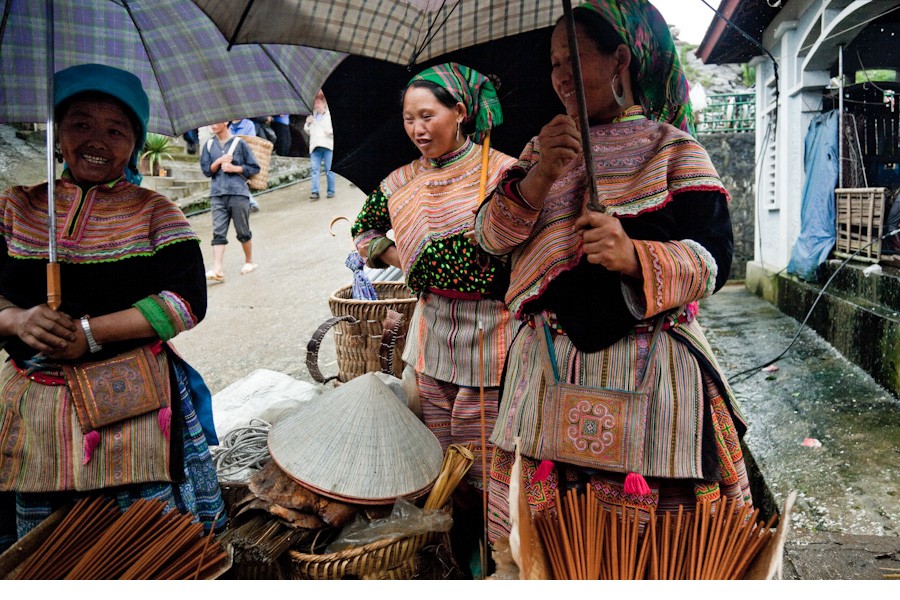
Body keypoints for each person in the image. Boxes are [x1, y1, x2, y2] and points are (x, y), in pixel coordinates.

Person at [474, 0, 754, 549]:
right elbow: (490, 240)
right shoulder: (538, 150)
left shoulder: (671, 148)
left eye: (573, 59)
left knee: (656, 552)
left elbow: (716, 257)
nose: (560, 76)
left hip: (652, 377)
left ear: (619, 59)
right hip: (547, 374)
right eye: (553, 63)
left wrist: (635, 257)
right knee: (550, 546)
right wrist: (539, 179)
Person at [0, 63, 226, 550]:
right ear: (57, 132)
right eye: (80, 123)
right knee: (48, 553)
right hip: (33, 409)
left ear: (135, 144)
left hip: (132, 408)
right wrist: (16, 318)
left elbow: (186, 302)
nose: (96, 139)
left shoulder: (154, 212)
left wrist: (90, 332)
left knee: (141, 547)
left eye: (115, 129)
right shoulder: (16, 207)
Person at [350, 63, 518, 576]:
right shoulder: (398, 182)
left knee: (492, 461)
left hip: (493, 337)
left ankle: (502, 563)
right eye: (408, 119)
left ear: (461, 113)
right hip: (432, 336)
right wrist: (403, 258)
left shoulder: (505, 173)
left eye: (428, 115)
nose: (418, 129)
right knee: (439, 456)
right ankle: (448, 557)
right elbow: (363, 234)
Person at [201, 121, 260, 281]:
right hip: (217, 194)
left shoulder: (239, 143)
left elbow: (254, 167)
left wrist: (236, 168)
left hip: (238, 192)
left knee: (242, 230)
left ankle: (249, 261)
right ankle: (217, 269)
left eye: (215, 122)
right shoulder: (209, 145)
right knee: (218, 231)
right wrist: (218, 161)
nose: (212, 125)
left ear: (225, 122)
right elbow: (206, 170)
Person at [304, 93, 335, 199]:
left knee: (329, 169)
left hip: (327, 145)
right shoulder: (312, 117)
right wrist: (308, 124)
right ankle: (315, 191)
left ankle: (331, 191)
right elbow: (307, 131)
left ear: (323, 103)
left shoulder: (329, 116)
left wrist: (329, 132)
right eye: (315, 103)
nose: (316, 105)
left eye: (318, 102)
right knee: (314, 169)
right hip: (315, 146)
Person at [228, 118, 261, 212]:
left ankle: (252, 203)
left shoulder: (248, 124)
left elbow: (251, 141)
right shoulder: (228, 126)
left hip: (245, 158)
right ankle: (250, 203)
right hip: (232, 158)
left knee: (238, 179)